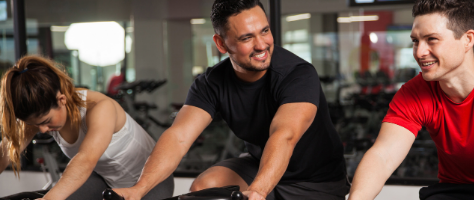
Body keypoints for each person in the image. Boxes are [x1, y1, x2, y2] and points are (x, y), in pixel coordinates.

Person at [112, 0, 349, 199]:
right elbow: (179, 137)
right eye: (247, 38)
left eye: (264, 31)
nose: (261, 45)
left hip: (318, 182)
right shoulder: (211, 82)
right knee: (205, 188)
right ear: (221, 44)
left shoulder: (297, 74)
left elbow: (285, 136)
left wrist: (257, 191)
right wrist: (138, 190)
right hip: (259, 166)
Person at [348, 0, 474, 199]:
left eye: (432, 39)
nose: (419, 52)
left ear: (468, 40)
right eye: (416, 41)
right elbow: (383, 156)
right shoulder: (414, 92)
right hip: (454, 190)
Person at [0, 55, 174, 200]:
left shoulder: (99, 107)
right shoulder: (40, 113)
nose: (42, 130)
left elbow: (85, 159)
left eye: (46, 121)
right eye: (36, 124)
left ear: (62, 100)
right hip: (104, 179)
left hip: (151, 180)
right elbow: (5, 152)